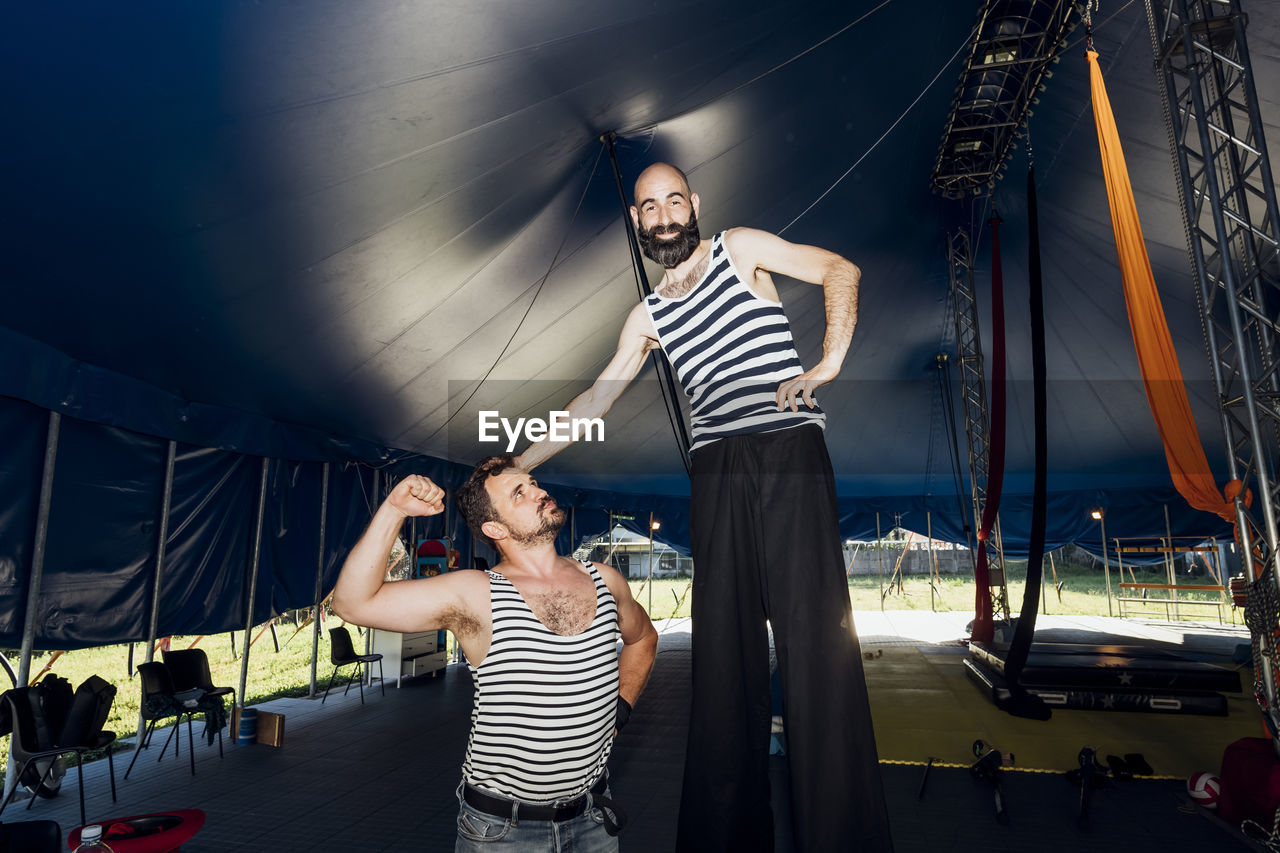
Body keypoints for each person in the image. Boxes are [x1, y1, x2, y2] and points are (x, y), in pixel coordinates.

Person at [515, 163, 892, 852]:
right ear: (636, 221)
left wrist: (828, 362)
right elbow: (591, 404)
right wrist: (517, 463)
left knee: (816, 649)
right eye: (649, 206)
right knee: (724, 660)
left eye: (674, 201)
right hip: (716, 471)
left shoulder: (738, 248)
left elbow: (840, 268)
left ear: (696, 206)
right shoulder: (647, 316)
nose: (663, 216)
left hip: (787, 453)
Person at [331, 457, 658, 852]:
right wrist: (395, 509)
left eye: (533, 483)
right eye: (520, 492)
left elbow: (642, 639)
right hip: (503, 832)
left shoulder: (605, 579)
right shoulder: (476, 593)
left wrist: (618, 712)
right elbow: (353, 604)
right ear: (494, 528)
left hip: (592, 821)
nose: (540, 492)